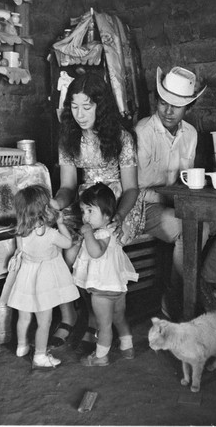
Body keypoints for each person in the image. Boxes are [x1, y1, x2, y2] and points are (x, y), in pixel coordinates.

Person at [135, 66, 216, 319]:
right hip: (144, 206)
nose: (168, 111)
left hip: (179, 204)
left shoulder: (190, 134)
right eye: (164, 103)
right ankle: (179, 296)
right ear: (157, 100)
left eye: (176, 106)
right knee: (195, 228)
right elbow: (137, 187)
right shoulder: (142, 132)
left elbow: (186, 180)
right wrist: (182, 202)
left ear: (188, 108)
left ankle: (202, 288)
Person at [49, 72, 145, 351]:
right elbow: (68, 186)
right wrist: (56, 203)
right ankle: (69, 315)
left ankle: (94, 320)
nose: (80, 114)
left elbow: (131, 189)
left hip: (115, 203)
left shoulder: (122, 138)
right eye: (75, 107)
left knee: (93, 252)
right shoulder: (68, 137)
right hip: (85, 203)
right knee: (60, 250)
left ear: (100, 106)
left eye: (87, 106)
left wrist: (120, 215)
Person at [1, 185, 80, 369]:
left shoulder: (21, 232)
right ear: (44, 210)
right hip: (44, 283)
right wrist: (60, 224)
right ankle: (40, 355)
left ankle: (22, 346)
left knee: (25, 317)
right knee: (44, 322)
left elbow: (21, 251)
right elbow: (68, 243)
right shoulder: (51, 234)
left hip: (25, 278)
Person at [72, 182, 138, 366]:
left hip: (102, 289)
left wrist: (87, 235)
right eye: (83, 211)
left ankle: (100, 357)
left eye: (90, 211)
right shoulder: (112, 230)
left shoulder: (101, 234)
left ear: (107, 214)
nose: (85, 217)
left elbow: (96, 252)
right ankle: (127, 346)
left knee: (104, 325)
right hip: (117, 286)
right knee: (119, 318)